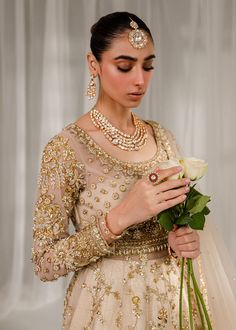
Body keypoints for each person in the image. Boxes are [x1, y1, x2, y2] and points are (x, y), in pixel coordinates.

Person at [32, 11, 235, 330]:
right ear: (93, 64)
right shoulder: (66, 149)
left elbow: (181, 227)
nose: (140, 79)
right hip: (108, 310)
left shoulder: (163, 137)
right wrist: (121, 217)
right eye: (124, 66)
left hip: (175, 306)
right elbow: (44, 263)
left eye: (148, 65)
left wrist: (183, 241)